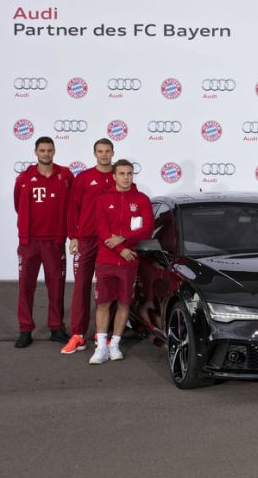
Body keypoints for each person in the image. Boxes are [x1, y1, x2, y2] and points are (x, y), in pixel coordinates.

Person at [89, 160, 154, 364]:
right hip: (106, 260)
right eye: (122, 173)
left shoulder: (142, 199)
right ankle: (101, 347)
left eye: (129, 173)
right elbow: (102, 230)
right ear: (114, 176)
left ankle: (114, 345)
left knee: (124, 303)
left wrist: (124, 238)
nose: (126, 177)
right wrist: (121, 249)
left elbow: (147, 229)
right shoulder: (102, 199)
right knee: (103, 303)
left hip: (129, 262)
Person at [13, 136, 73, 348]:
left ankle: (56, 327)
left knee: (56, 286)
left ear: (54, 151)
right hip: (29, 242)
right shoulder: (24, 178)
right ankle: (25, 329)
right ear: (36, 152)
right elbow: (18, 205)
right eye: (42, 150)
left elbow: (72, 205)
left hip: (54, 242)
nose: (46, 153)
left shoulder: (65, 175)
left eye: (49, 150)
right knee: (25, 286)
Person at [62, 138, 116, 354]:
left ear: (112, 152)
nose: (104, 154)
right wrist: (73, 237)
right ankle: (78, 334)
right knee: (81, 286)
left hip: (109, 241)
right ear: (95, 154)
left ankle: (103, 333)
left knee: (108, 287)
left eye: (107, 151)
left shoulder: (119, 177)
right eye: (100, 151)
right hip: (86, 239)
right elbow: (72, 208)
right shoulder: (84, 178)